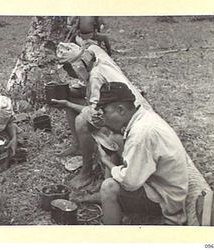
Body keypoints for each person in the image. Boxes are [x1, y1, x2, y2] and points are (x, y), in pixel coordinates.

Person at [85, 82, 189, 225]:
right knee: (116, 142)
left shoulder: (140, 135)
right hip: (163, 183)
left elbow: (129, 183)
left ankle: (109, 237)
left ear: (121, 110)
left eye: (105, 112)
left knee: (109, 187)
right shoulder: (143, 116)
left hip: (166, 198)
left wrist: (106, 162)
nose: (104, 117)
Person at [53, 42, 150, 188]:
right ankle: (78, 145)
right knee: (73, 106)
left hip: (121, 120)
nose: (68, 73)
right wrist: (68, 95)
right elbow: (87, 93)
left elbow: (94, 113)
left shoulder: (96, 76)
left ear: (78, 66)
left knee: (81, 120)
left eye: (68, 68)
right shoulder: (96, 65)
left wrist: (67, 103)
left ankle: (86, 172)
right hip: (115, 111)